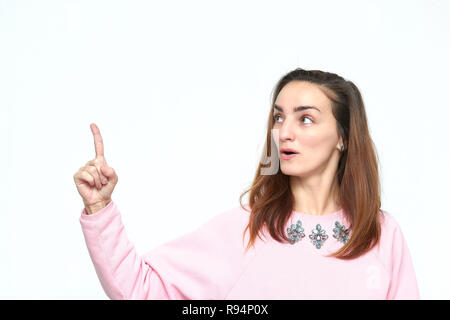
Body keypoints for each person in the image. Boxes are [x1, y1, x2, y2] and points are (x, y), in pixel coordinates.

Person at [73, 68, 420, 299]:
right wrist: (99, 207)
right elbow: (142, 290)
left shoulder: (379, 233)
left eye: (306, 119)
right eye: (279, 117)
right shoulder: (249, 228)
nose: (285, 131)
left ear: (342, 137)